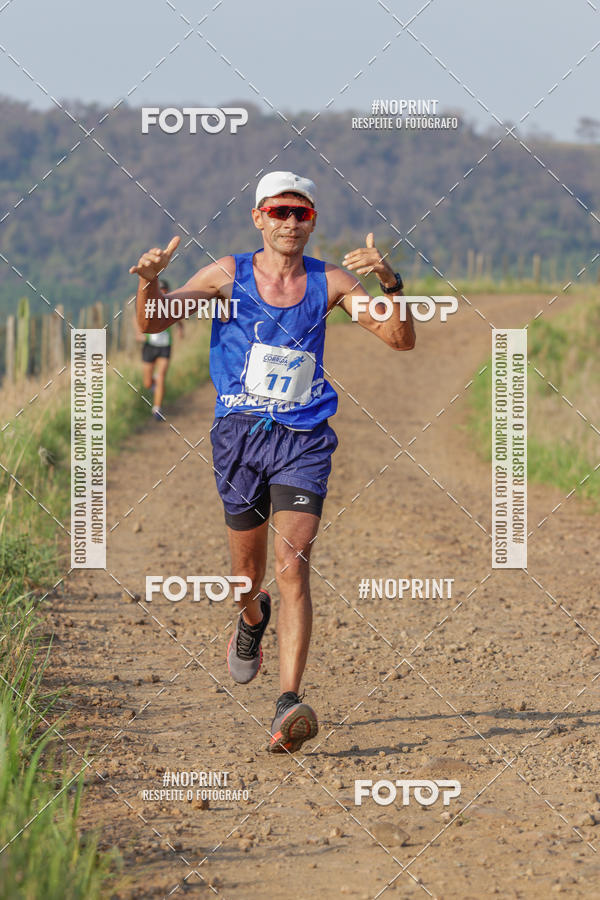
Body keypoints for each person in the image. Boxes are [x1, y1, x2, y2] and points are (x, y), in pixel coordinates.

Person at [131, 171, 415, 753]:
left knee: (293, 566)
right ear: (258, 217)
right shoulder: (226, 276)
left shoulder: (331, 280)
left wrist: (392, 282)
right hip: (239, 438)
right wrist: (149, 284)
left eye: (301, 214)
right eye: (280, 212)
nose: (291, 223)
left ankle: (289, 701)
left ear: (312, 222)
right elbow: (153, 320)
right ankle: (251, 616)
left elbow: (399, 339)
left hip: (304, 437)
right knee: (249, 578)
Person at [135, 278, 183, 420]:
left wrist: (180, 330)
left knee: (161, 376)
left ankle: (157, 409)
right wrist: (139, 333)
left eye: (164, 290)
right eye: (159, 290)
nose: (162, 292)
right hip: (150, 346)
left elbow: (178, 317)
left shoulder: (171, 305)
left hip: (165, 346)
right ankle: (156, 387)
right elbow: (139, 319)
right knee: (148, 382)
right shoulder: (149, 304)